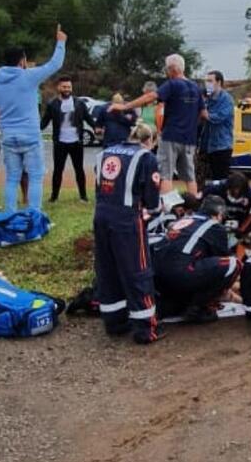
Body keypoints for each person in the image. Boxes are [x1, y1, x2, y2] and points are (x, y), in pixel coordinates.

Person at [0, 26, 67, 212]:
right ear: (22, 60)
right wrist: (61, 42)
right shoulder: (29, 76)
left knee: (12, 177)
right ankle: (33, 216)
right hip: (30, 135)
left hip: (8, 136)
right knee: (35, 176)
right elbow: (54, 64)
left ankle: (10, 214)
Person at [93, 122, 162, 343]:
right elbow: (151, 200)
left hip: (100, 216)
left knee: (107, 269)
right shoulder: (146, 158)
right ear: (150, 141)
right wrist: (155, 209)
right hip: (126, 221)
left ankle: (114, 322)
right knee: (137, 271)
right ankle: (145, 329)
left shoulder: (105, 152)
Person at [109, 54, 204, 195]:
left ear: (172, 69)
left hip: (171, 135)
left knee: (166, 175)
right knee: (190, 177)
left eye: (167, 69)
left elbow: (151, 96)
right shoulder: (196, 88)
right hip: (189, 138)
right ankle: (194, 207)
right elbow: (203, 113)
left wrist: (125, 106)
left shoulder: (172, 84)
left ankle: (165, 210)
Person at [151, 194, 239, 323]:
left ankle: (179, 302)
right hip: (180, 273)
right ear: (219, 214)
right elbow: (220, 264)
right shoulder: (215, 227)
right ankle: (200, 307)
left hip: (157, 275)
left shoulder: (184, 219)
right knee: (233, 264)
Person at [40, 75, 95, 202]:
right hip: (60, 142)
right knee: (58, 170)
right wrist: (35, 129)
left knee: (79, 170)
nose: (67, 89)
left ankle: (83, 196)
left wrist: (97, 127)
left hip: (76, 141)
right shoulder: (52, 104)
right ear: (58, 87)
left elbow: (88, 118)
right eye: (64, 87)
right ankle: (54, 197)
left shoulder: (79, 103)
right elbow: (44, 122)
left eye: (69, 87)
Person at [201, 171, 251, 238]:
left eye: (239, 191)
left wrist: (245, 228)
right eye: (233, 191)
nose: (236, 193)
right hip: (215, 225)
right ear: (228, 187)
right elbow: (198, 204)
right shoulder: (215, 188)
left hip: (240, 226)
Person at [201, 70, 235, 180]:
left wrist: (205, 114)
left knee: (220, 180)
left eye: (210, 81)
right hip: (207, 146)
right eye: (206, 81)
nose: (207, 84)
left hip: (221, 146)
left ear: (219, 82)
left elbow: (219, 117)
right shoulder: (207, 99)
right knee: (206, 181)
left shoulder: (226, 99)